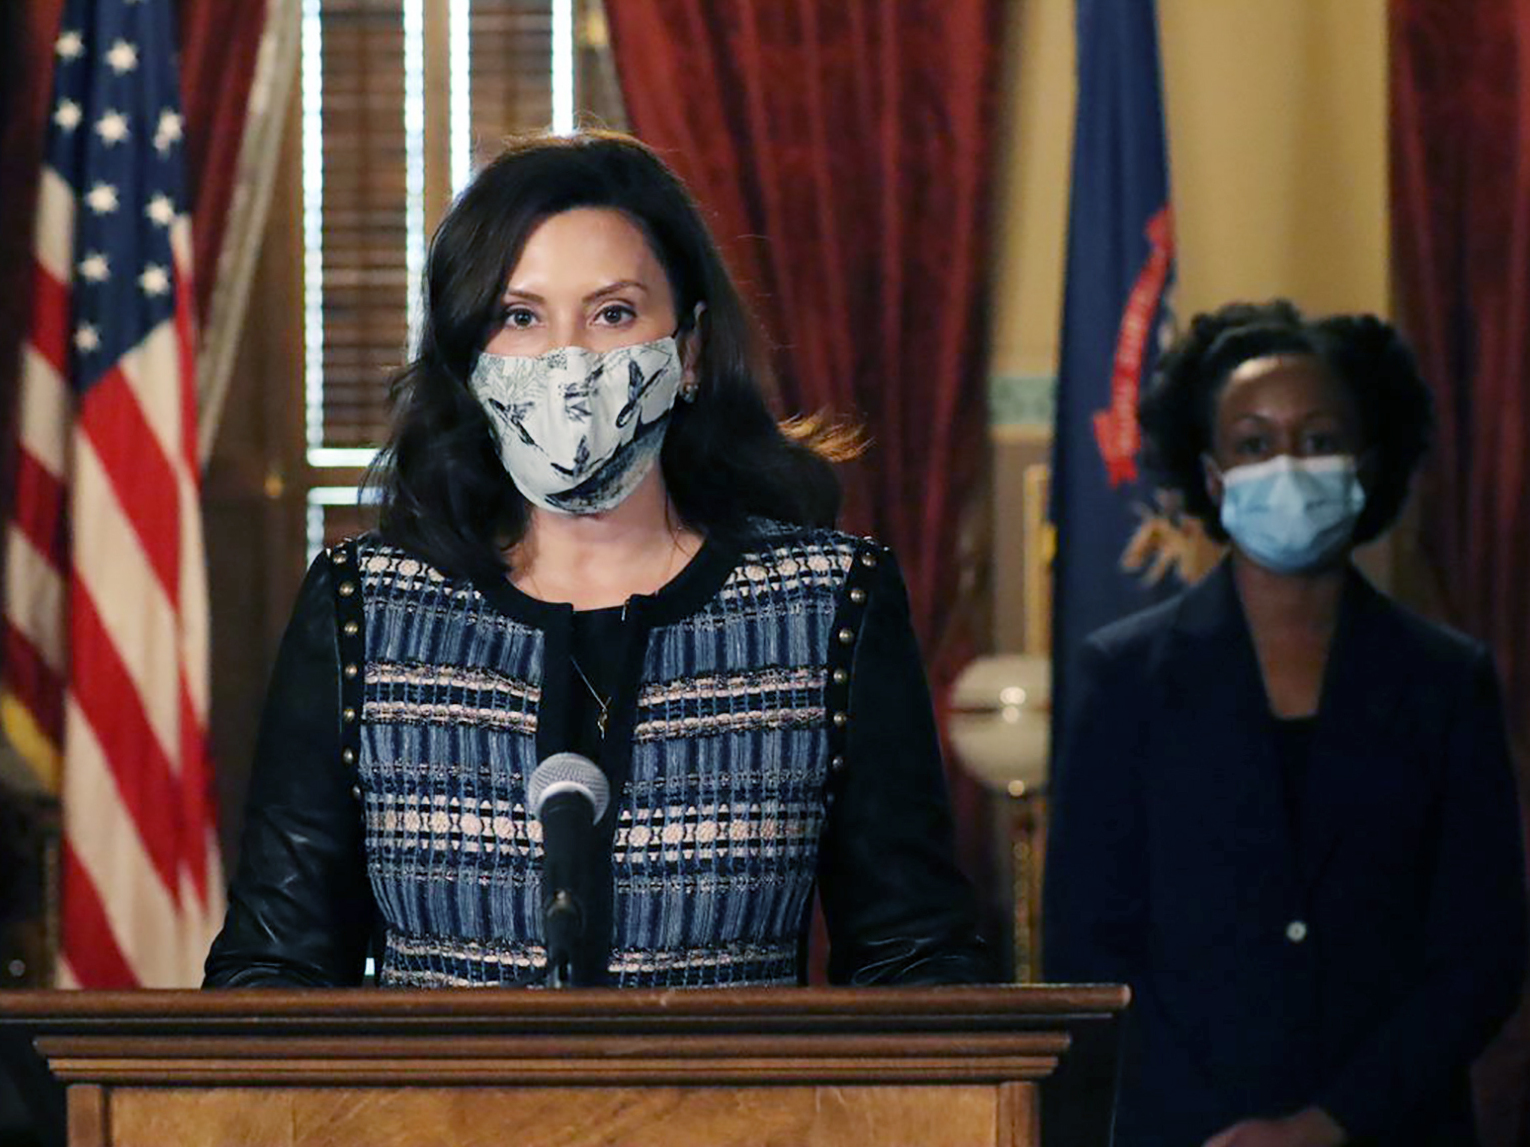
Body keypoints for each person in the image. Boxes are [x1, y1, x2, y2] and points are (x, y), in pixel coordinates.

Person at [204, 131, 988, 990]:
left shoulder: (827, 605)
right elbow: (273, 971)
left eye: (613, 313)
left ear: (687, 352)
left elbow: (917, 963)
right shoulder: (368, 607)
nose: (567, 364)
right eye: (521, 316)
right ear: (470, 361)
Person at [1043, 301, 1528, 1147]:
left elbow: (1479, 956)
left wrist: (1327, 1124)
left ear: (1365, 464)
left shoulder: (1447, 681)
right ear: (1215, 474)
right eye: (1255, 443)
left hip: (1394, 1130)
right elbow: (1089, 946)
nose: (1289, 467)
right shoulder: (1123, 677)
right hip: (1184, 1133)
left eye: (1317, 438)